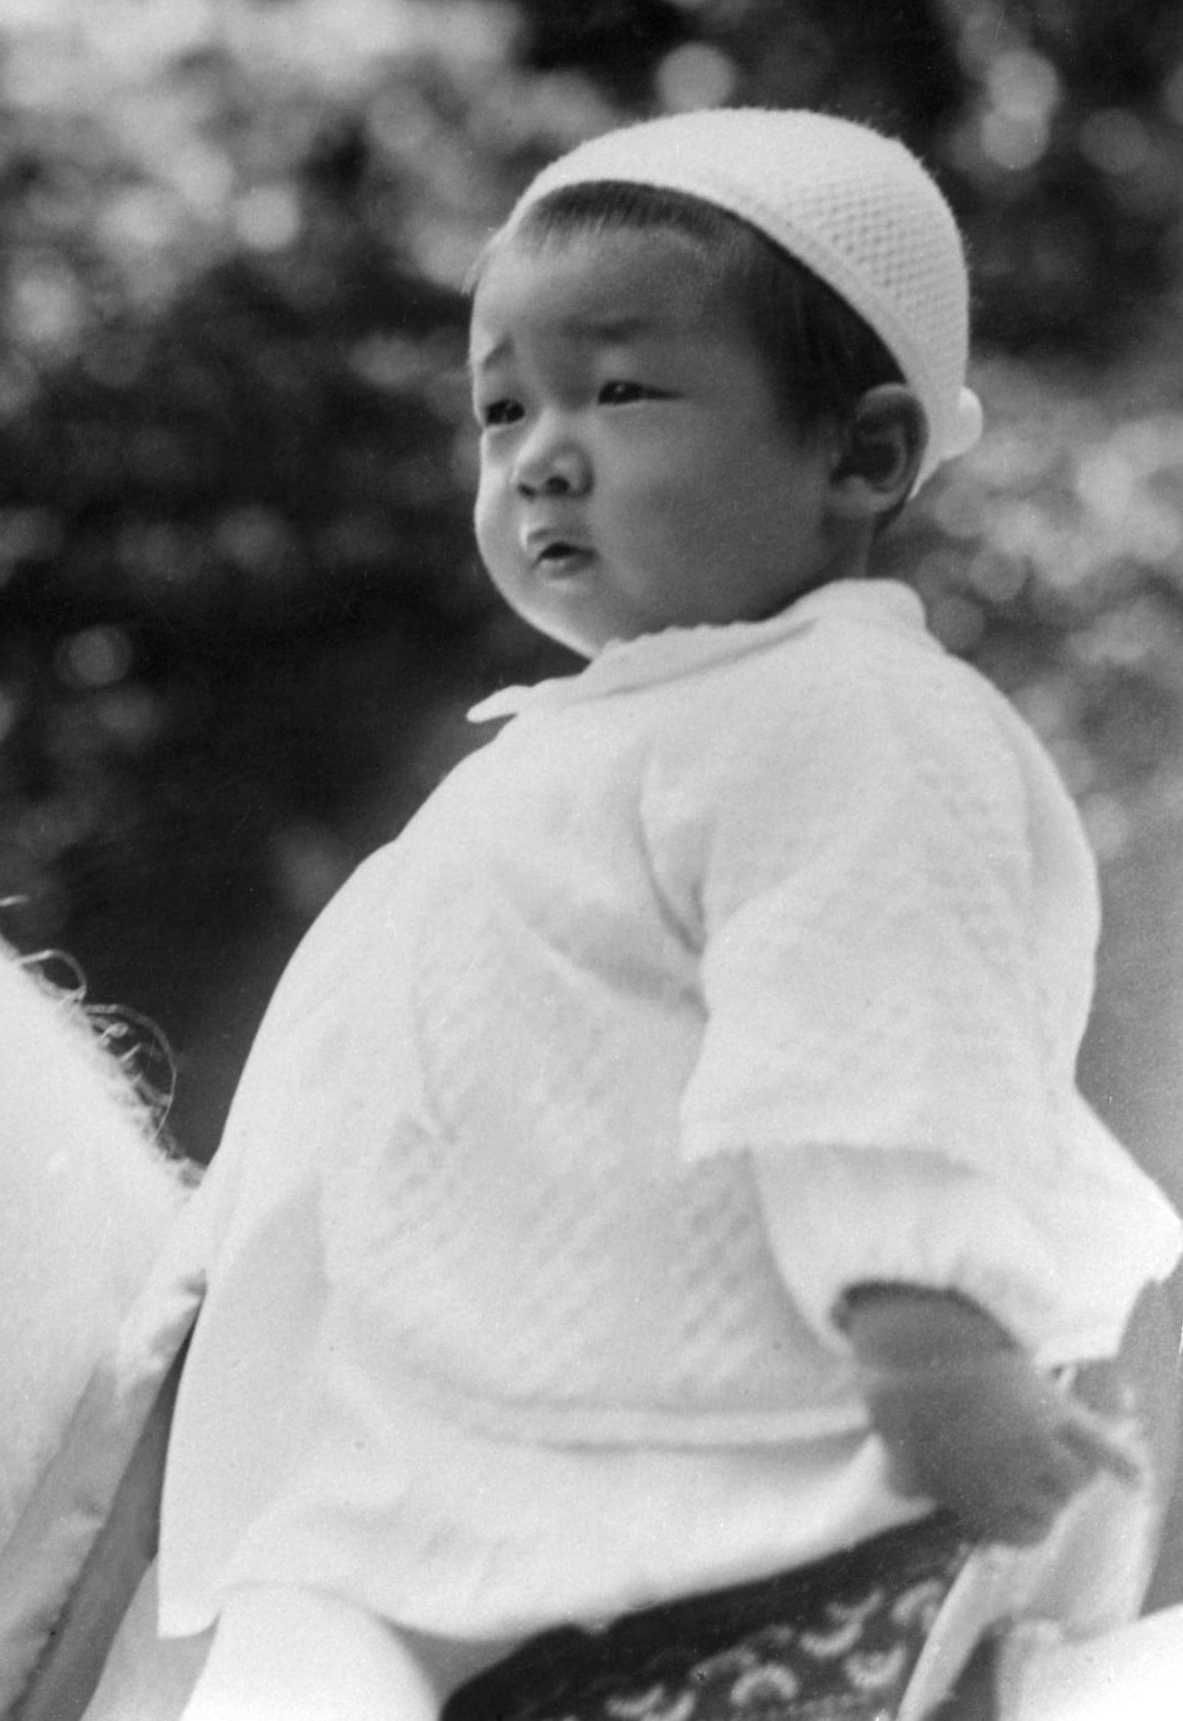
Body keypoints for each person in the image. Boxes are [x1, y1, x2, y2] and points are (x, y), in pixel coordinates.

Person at [153, 107, 1183, 1719]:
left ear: (863, 454)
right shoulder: (560, 750)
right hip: (443, 1471)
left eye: (620, 391)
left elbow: (878, 1034)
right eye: (503, 410)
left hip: (720, 1471)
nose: (541, 452)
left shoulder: (844, 713)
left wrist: (928, 1330)